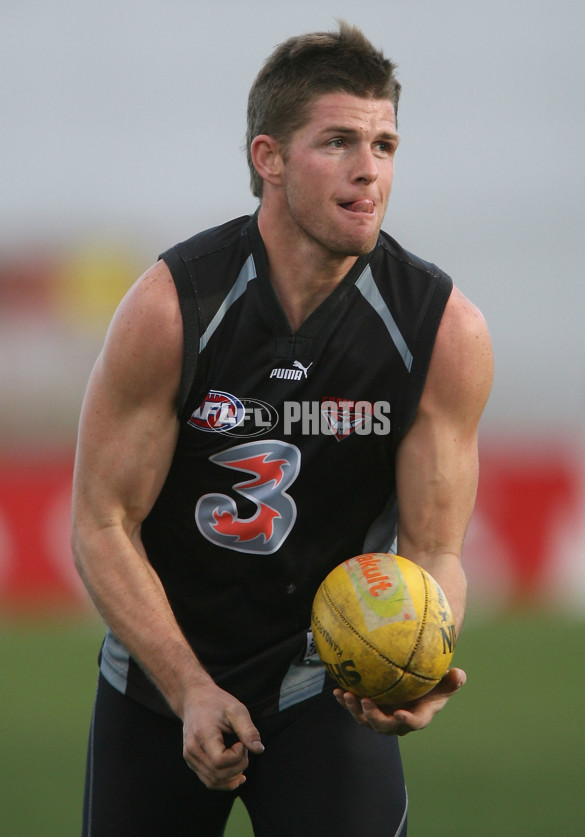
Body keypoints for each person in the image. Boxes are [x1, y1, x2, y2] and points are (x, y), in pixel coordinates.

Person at [71, 21, 493, 837]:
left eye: (385, 144)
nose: (369, 170)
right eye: (338, 142)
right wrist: (188, 685)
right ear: (268, 158)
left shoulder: (441, 329)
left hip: (324, 683)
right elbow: (102, 522)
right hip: (161, 679)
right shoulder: (173, 307)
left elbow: (436, 549)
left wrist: (416, 666)